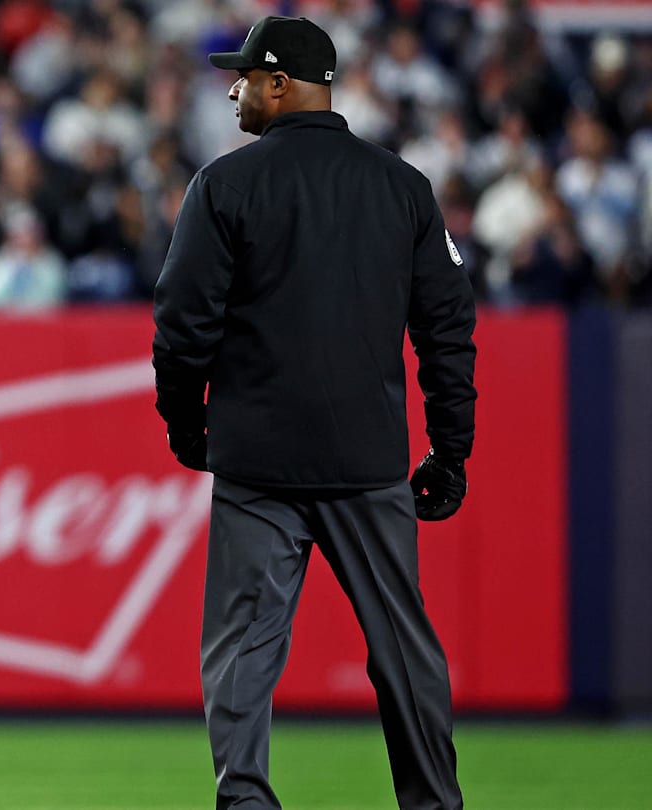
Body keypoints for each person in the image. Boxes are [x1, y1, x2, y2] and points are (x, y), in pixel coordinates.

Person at [151, 17, 475, 810]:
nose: (231, 91)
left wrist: (187, 424)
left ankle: (247, 803)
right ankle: (434, 804)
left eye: (244, 78)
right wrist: (451, 448)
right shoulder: (403, 186)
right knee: (405, 651)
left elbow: (181, 327)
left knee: (242, 655)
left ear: (278, 83)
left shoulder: (225, 184)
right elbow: (447, 330)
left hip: (258, 463)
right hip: (367, 464)